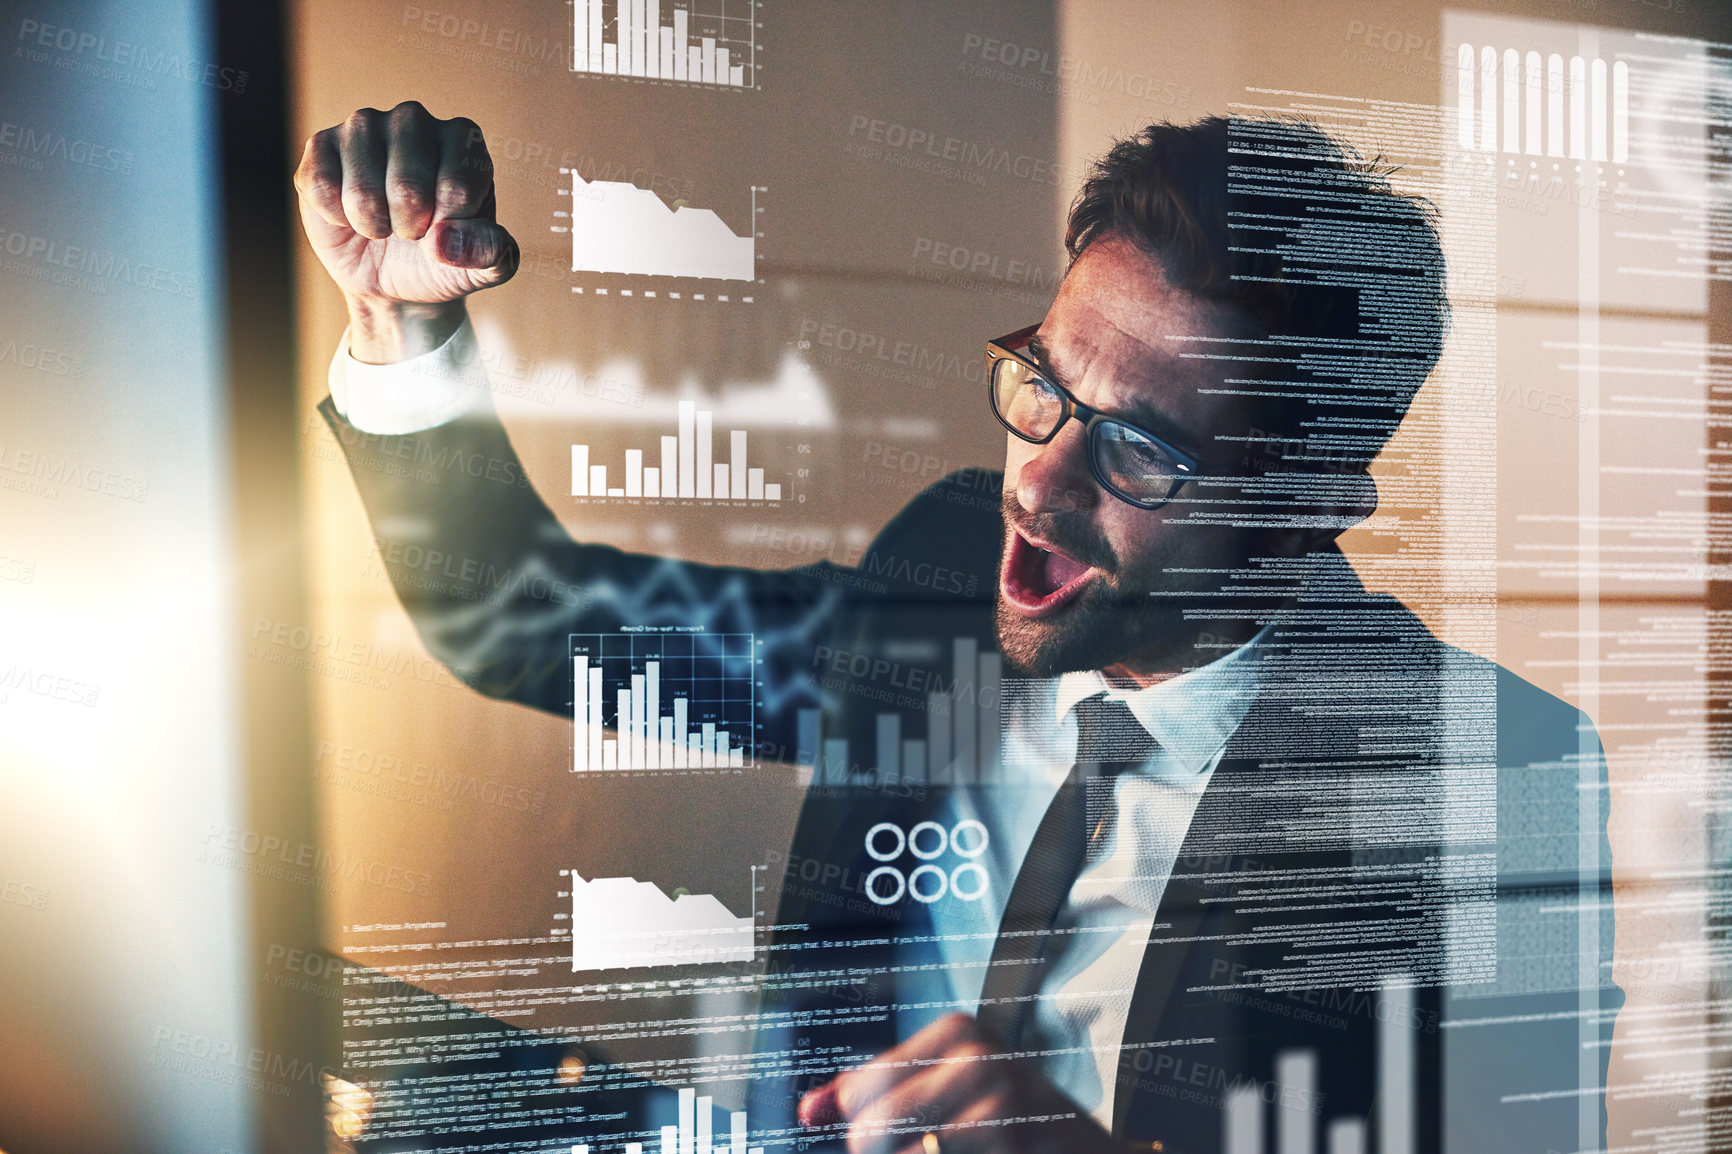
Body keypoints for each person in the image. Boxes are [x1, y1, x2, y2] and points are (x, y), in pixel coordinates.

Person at [299, 101, 1621, 1154]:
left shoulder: (1493, 780)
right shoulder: (949, 569)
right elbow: (529, 624)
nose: (1037, 484)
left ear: (1310, 502)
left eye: (1144, 455)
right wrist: (400, 320)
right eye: (1039, 386)